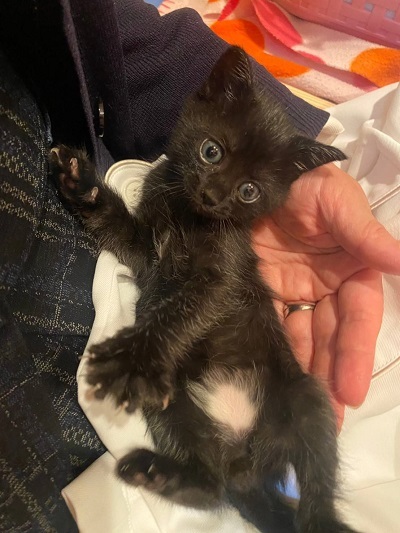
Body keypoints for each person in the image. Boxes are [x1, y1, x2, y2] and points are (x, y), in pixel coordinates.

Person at [0, 0, 398, 531]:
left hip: (265, 379)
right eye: (212, 154)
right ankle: (202, 479)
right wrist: (96, 202)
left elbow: (209, 282)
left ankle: (319, 511)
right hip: (183, 381)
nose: (214, 192)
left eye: (249, 191)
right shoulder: (164, 188)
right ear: (204, 101)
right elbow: (143, 254)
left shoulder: (226, 231)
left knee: (308, 403)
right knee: (169, 404)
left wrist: (150, 347)